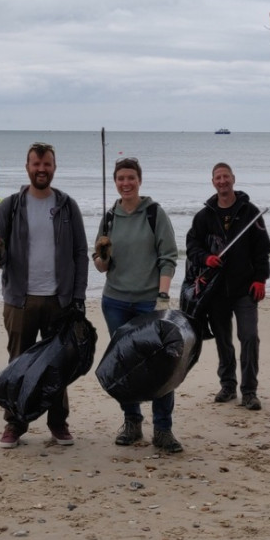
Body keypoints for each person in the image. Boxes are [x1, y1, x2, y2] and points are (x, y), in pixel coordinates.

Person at [0, 142, 88, 448]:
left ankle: (58, 423)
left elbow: (81, 253)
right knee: (20, 364)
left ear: (54, 167)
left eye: (46, 164)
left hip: (60, 299)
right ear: (27, 167)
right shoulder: (11, 205)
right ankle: (15, 424)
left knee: (57, 364)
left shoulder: (68, 205)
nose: (41, 169)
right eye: (36, 164)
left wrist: (79, 296)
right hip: (21, 299)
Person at [93, 157, 181, 452]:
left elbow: (168, 256)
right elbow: (101, 266)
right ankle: (132, 422)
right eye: (120, 179)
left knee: (161, 365)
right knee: (126, 366)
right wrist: (102, 254)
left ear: (139, 180)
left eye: (131, 178)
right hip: (115, 301)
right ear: (115, 182)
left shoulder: (154, 213)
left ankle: (163, 429)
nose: (125, 183)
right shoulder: (109, 217)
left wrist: (163, 297)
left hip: (149, 302)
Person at [185, 162, 270, 411]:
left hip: (245, 289)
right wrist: (205, 258)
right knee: (223, 340)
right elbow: (192, 246)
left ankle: (249, 391)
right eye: (218, 178)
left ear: (233, 179)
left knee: (249, 337)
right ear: (213, 182)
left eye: (226, 177)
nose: (222, 181)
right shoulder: (204, 216)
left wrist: (260, 279)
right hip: (215, 291)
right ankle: (227, 385)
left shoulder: (250, 212)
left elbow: (262, 250)